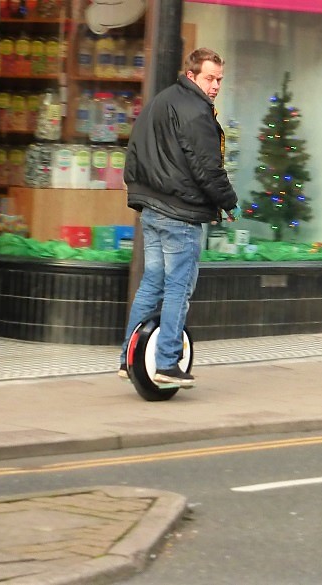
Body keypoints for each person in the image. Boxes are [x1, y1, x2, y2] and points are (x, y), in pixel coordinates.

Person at [120, 47, 240, 387]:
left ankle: (127, 360)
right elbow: (207, 168)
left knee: (151, 284)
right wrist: (229, 202)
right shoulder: (196, 110)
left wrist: (140, 193)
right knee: (178, 289)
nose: (215, 85)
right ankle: (167, 363)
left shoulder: (161, 100)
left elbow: (134, 151)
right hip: (181, 214)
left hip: (153, 211)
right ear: (192, 76)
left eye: (219, 79)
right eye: (209, 78)